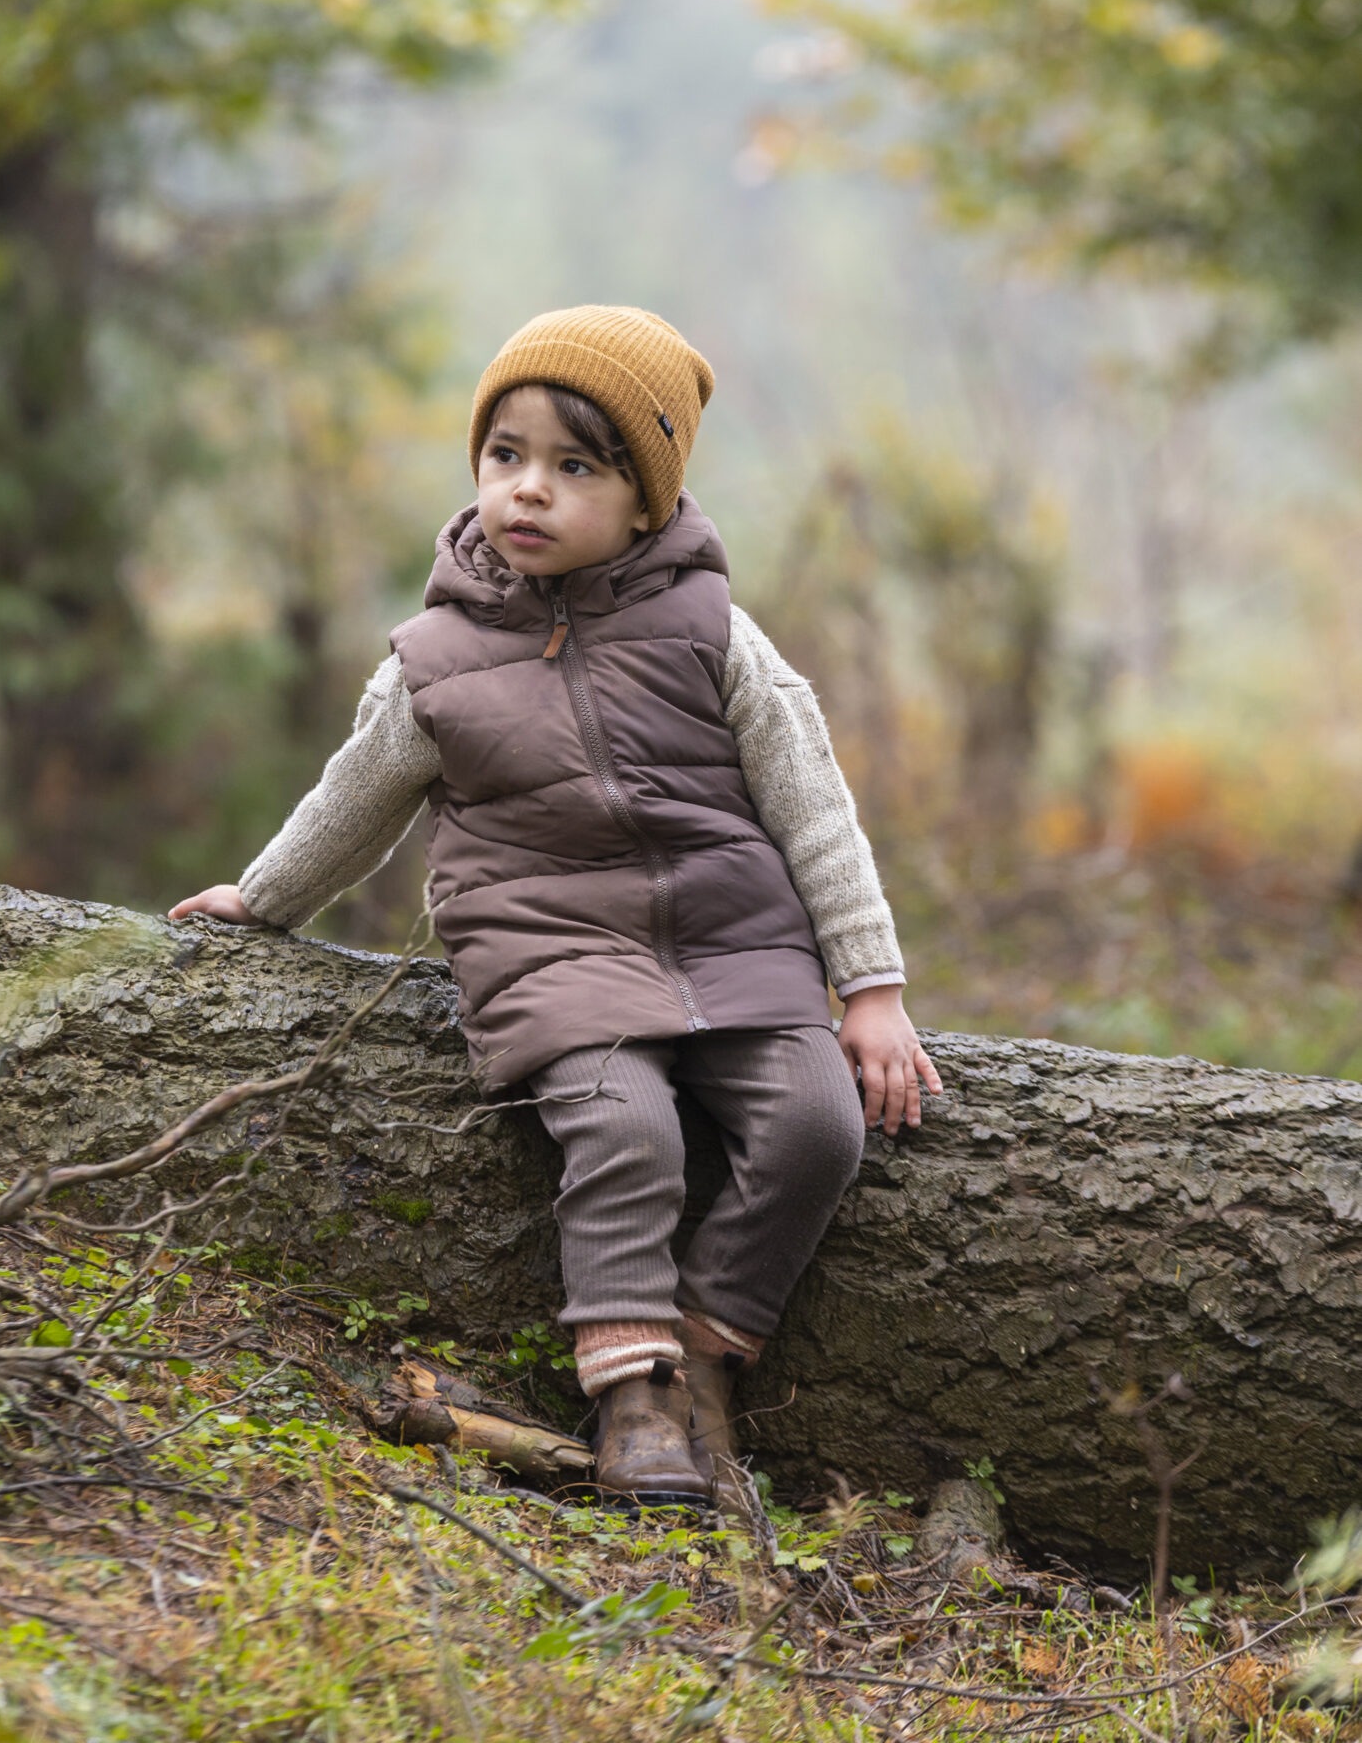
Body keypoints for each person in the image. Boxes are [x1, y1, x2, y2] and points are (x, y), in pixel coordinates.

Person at [172, 304, 940, 1506]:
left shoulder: (715, 633)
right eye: (505, 457)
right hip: (554, 959)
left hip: (738, 945)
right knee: (626, 1132)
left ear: (648, 498)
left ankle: (703, 1346)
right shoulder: (434, 659)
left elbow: (814, 806)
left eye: (575, 466)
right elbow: (353, 803)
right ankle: (631, 1394)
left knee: (816, 1127)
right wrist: (262, 899)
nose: (527, 491)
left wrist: (873, 985)